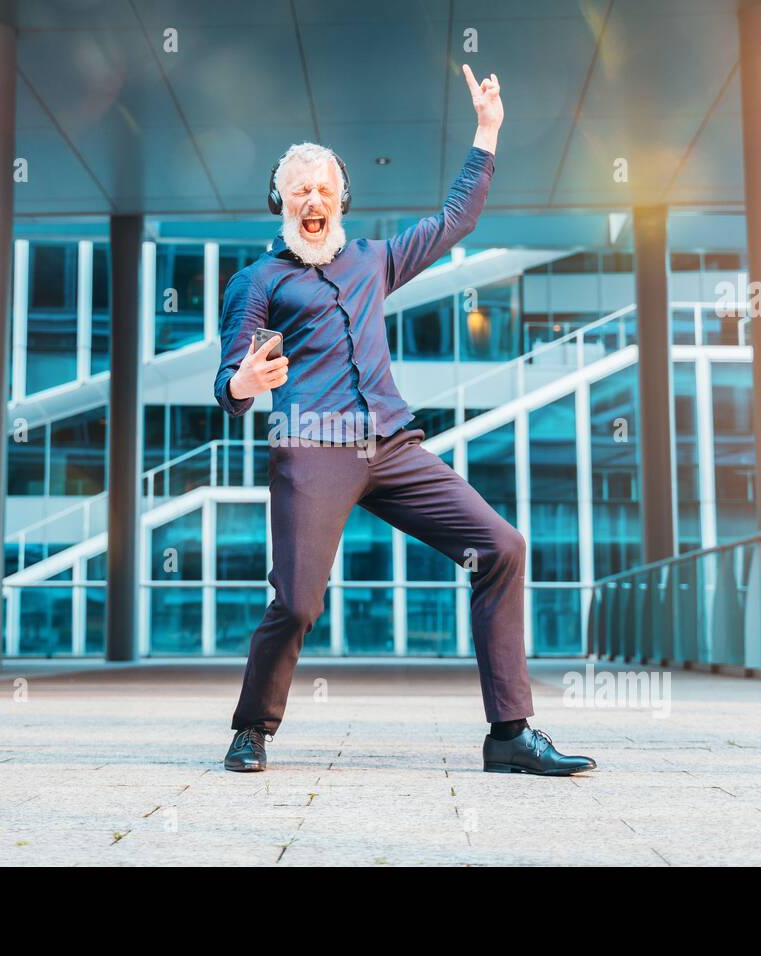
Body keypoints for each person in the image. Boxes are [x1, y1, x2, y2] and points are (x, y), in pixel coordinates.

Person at [212, 65, 596, 778]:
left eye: (324, 187)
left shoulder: (372, 261)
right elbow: (232, 377)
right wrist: (243, 381)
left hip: (391, 448)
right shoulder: (257, 281)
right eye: (300, 191)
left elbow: (456, 218)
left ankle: (509, 733)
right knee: (297, 603)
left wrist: (486, 132)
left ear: (343, 199)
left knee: (502, 546)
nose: (313, 198)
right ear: (281, 204)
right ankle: (251, 730)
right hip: (313, 451)